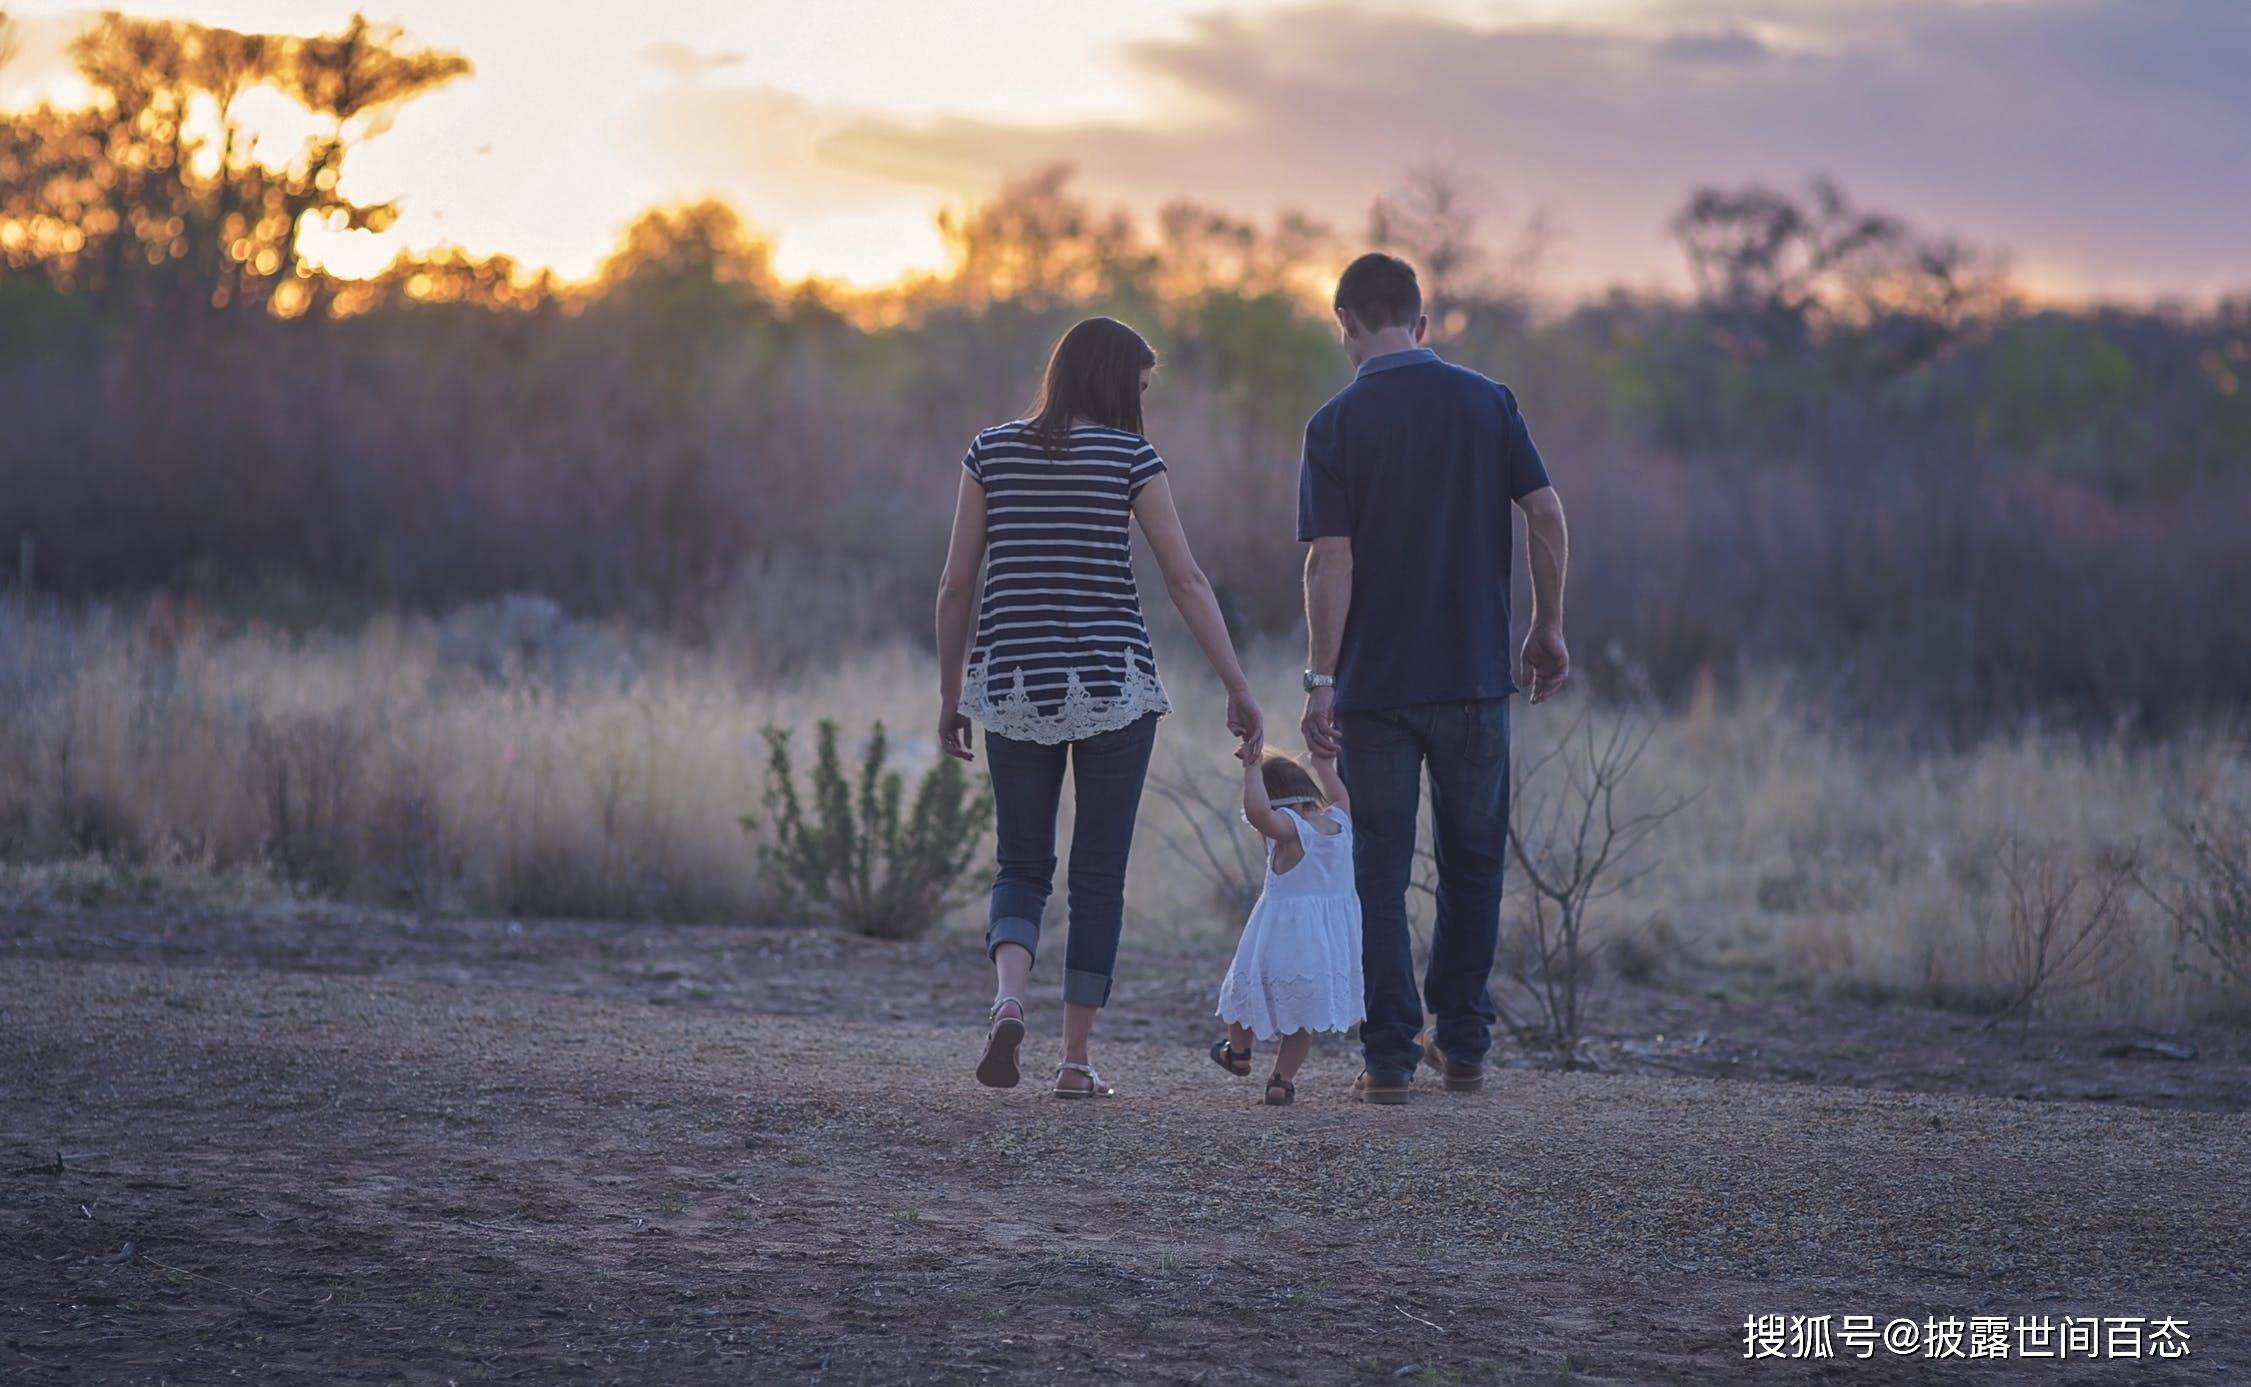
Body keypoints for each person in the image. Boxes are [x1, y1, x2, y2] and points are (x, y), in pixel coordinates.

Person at [935, 316, 1263, 1099]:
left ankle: (1009, 997)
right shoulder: (1130, 458)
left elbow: (954, 584)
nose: (1142, 401)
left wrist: (951, 695)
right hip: (1114, 686)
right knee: (1098, 878)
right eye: (1139, 386)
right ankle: (1074, 1061)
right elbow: (1185, 580)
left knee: (1020, 863)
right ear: (1115, 381)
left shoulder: (990, 450)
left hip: (1012, 684)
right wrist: (1236, 683)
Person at [1297, 253, 1571, 1104]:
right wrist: (1546, 625)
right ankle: (1463, 1044)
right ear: (1421, 321)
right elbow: (1546, 513)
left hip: (1376, 688)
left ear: (1345, 323)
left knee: (1378, 870)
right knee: (1473, 862)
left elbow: (1328, 561)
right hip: (1476, 677)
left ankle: (1387, 1057)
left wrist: (1319, 677)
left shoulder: (1334, 423)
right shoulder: (1488, 403)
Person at [1209, 746, 1364, 1107]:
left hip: (1280, 937)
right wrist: (1324, 765)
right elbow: (1339, 795)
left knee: (1244, 992)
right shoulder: (1340, 823)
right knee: (1302, 1015)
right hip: (1325, 943)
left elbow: (1259, 813)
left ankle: (1239, 1053)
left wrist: (1250, 771)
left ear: (1276, 800)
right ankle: (1281, 1081)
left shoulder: (1291, 830)